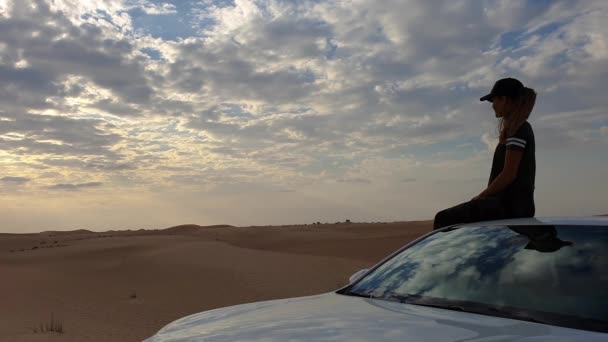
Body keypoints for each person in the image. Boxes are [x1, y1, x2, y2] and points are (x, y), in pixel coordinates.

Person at [433, 78, 537, 230]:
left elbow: (509, 174)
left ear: (505, 100)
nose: (493, 106)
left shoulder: (519, 130)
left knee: (444, 218)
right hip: (512, 205)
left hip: (509, 206)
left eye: (494, 101)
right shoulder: (515, 129)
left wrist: (481, 197)